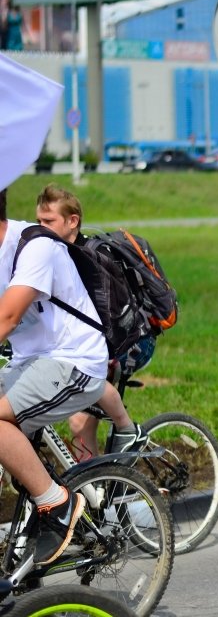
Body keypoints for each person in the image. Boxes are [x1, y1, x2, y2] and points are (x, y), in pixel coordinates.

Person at [0, 185, 141, 566]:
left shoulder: (36, 247)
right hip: (30, 362)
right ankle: (26, 534)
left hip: (74, 361)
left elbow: (7, 318)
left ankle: (57, 504)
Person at [34, 183, 150, 458]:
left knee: (78, 421)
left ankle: (105, 482)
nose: (40, 227)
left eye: (48, 221)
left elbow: (114, 315)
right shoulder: (53, 254)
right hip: (93, 341)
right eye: (37, 221)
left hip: (128, 342)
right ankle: (93, 486)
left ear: (72, 221)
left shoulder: (92, 258)